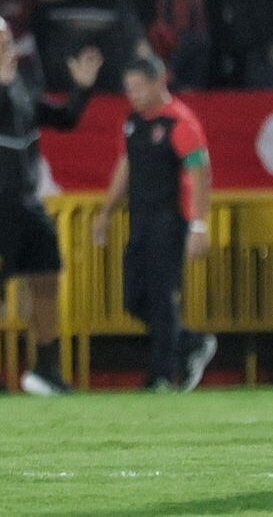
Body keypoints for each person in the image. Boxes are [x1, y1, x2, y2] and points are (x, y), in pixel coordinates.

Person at [0, 15, 100, 398]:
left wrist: (81, 90)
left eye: (7, 33)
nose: (6, 40)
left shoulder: (22, 85)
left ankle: (47, 371)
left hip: (28, 201)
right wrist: (1, 85)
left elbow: (64, 119)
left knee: (48, 277)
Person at [94, 57, 218, 392]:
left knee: (163, 297)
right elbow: (126, 166)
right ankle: (190, 343)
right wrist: (106, 212)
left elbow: (200, 174)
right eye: (128, 88)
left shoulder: (180, 122)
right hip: (140, 218)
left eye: (137, 86)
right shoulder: (133, 123)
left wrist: (199, 225)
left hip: (169, 220)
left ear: (158, 81)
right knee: (134, 298)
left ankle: (161, 375)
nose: (131, 94)